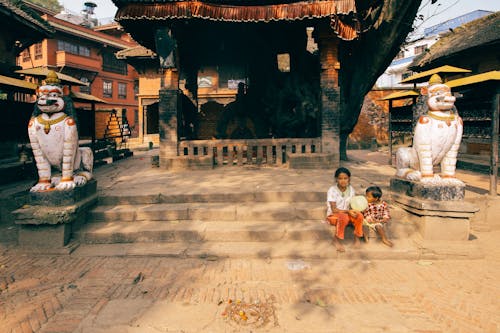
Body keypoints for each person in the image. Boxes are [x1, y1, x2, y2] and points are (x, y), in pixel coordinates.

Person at [326, 167, 364, 252]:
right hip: (334, 215)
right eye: (340, 178)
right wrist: (348, 211)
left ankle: (357, 238)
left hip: (347, 213)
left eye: (345, 178)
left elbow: (353, 204)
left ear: (349, 179)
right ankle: (336, 240)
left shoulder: (351, 189)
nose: (343, 181)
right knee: (344, 217)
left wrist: (355, 210)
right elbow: (334, 209)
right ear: (336, 179)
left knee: (359, 216)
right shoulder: (332, 190)